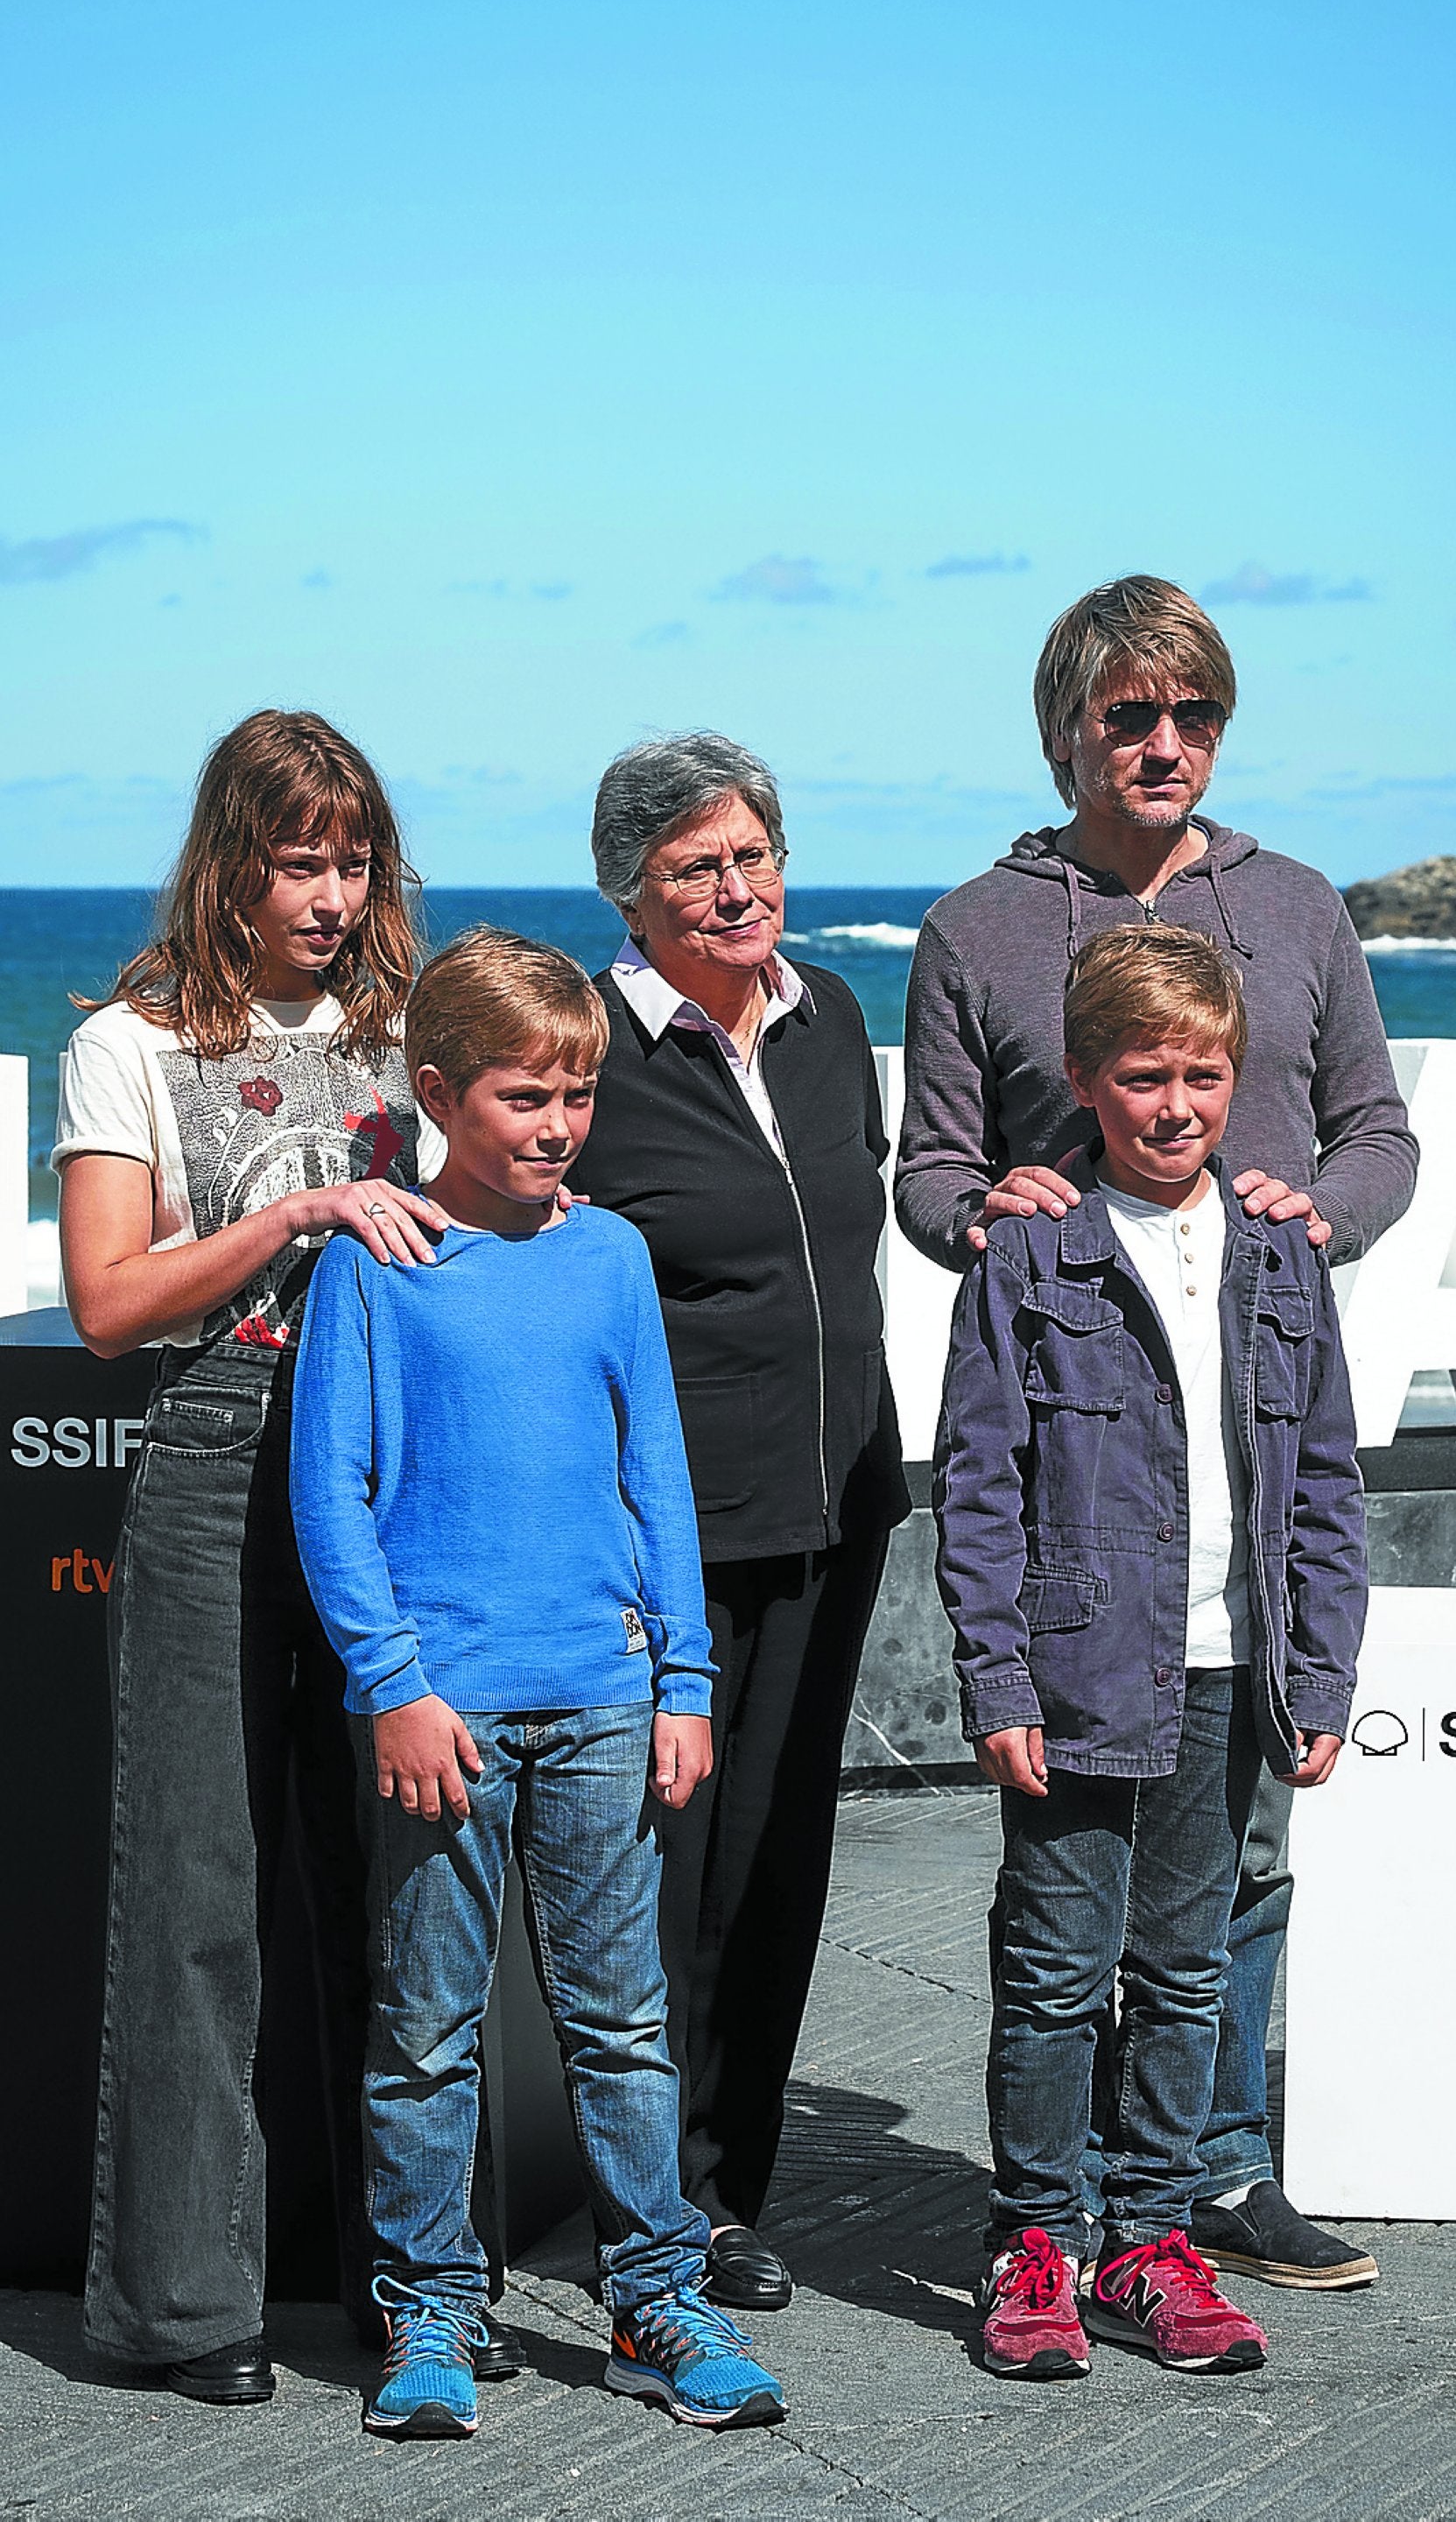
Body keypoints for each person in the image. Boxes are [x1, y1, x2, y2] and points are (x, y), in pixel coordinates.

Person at [899, 576, 1412, 2289]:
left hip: (1257, 1389)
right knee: (1072, 1919)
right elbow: (929, 1173)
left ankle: (1212, 2178)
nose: (1165, 743)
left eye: (1191, 714)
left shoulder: (1305, 907)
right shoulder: (976, 927)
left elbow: (1379, 1136)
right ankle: (1076, 2214)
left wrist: (1316, 1215)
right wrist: (994, 1206)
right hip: (1089, 1435)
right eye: (1131, 715)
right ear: (1069, 730)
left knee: (1239, 1868)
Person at [289, 926, 785, 2439]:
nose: (559, 1123)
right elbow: (334, 1492)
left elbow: (658, 1476)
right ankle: (428, 2307)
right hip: (442, 1713)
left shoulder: (612, 1255)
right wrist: (393, 1685)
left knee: (625, 2017)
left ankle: (656, 2295)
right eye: (525, 1094)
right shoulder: (375, 1267)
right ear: (440, 1093)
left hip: (604, 1700)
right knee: (427, 2026)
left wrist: (684, 1681)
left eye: (577, 1092)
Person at [56, 709, 480, 2404]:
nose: (328, 888)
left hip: (394, 1474)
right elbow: (105, 1305)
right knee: (198, 1897)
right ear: (228, 858)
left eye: (352, 854)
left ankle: (414, 2285)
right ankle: (184, 2304)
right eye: (295, 856)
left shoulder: (411, 1029)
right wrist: (291, 1214)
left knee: (405, 1887)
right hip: (219, 1465)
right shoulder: (130, 1043)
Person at [938, 925, 1368, 2379]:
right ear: (1081, 1080)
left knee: (1188, 1966)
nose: (1175, 1104)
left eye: (1202, 1074)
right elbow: (981, 1481)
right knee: (1056, 1966)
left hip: (1228, 1671)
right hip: (1072, 1674)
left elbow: (1321, 1478)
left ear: (1236, 1079)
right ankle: (1035, 2238)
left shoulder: (1277, 1254)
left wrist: (1318, 1670)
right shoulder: (1030, 1253)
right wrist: (995, 1677)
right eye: (1141, 1076)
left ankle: (1149, 2234)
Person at [573, 735, 909, 2313]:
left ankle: (726, 2192)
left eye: (755, 852)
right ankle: (650, 2195)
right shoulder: (592, 1048)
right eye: (697, 865)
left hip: (840, 1509)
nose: (736, 886)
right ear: (631, 895)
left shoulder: (833, 1014)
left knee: (781, 1868)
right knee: (665, 1874)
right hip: (671, 1535)